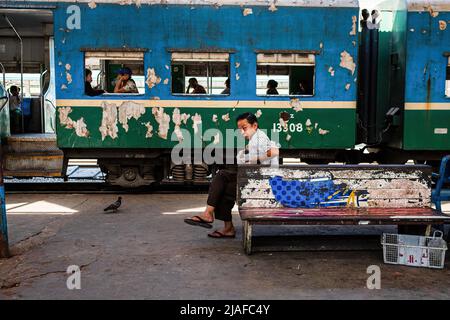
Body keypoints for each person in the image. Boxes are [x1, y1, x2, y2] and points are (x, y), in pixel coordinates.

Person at [184, 112, 279, 238]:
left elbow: (270, 153)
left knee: (222, 177)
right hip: (257, 180)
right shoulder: (256, 138)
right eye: (240, 129)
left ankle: (212, 216)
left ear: (254, 125)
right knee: (223, 186)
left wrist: (252, 157)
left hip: (262, 184)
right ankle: (218, 221)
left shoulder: (259, 139)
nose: (241, 132)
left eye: (244, 128)